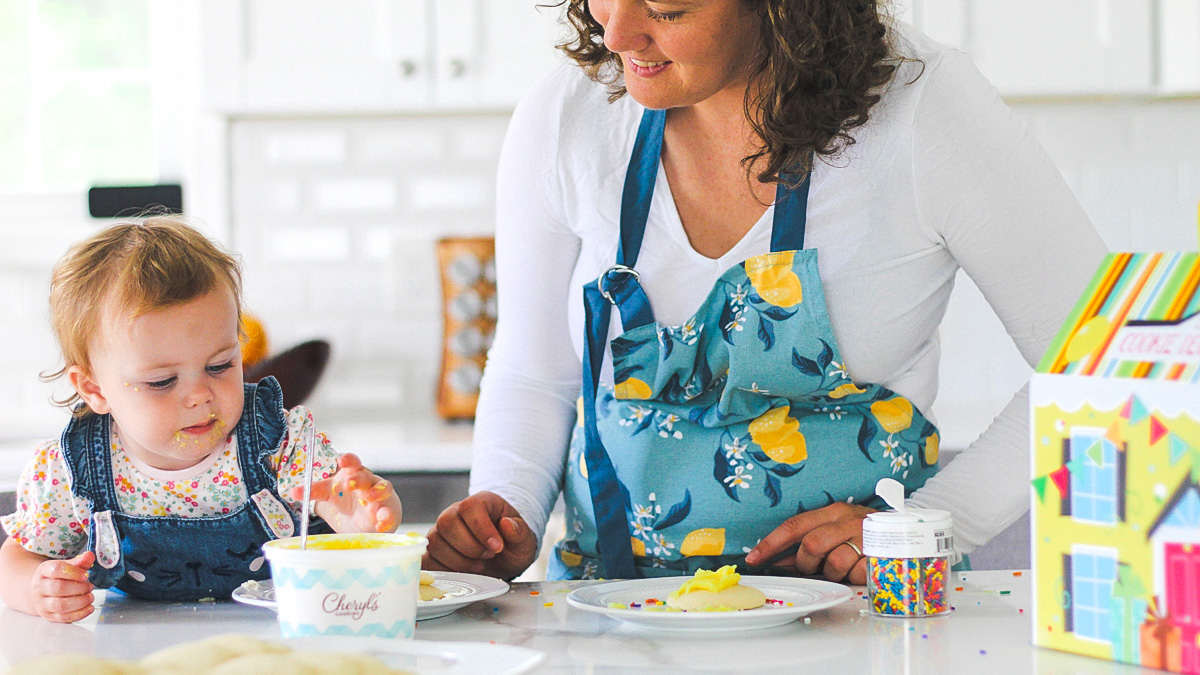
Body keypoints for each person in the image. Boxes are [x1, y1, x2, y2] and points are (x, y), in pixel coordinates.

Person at [423, 0, 1108, 583]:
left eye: (667, 9)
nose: (617, 32)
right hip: (609, 625)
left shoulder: (924, 109)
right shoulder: (570, 112)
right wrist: (503, 510)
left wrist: (932, 527)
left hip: (860, 623)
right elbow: (533, 371)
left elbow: (1104, 359)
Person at [0, 217, 403, 623]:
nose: (198, 394)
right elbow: (16, 558)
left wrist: (360, 520)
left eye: (220, 365)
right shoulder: (70, 471)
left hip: (280, 636)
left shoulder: (278, 442)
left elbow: (342, 509)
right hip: (140, 647)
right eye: (162, 381)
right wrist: (37, 588)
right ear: (95, 390)